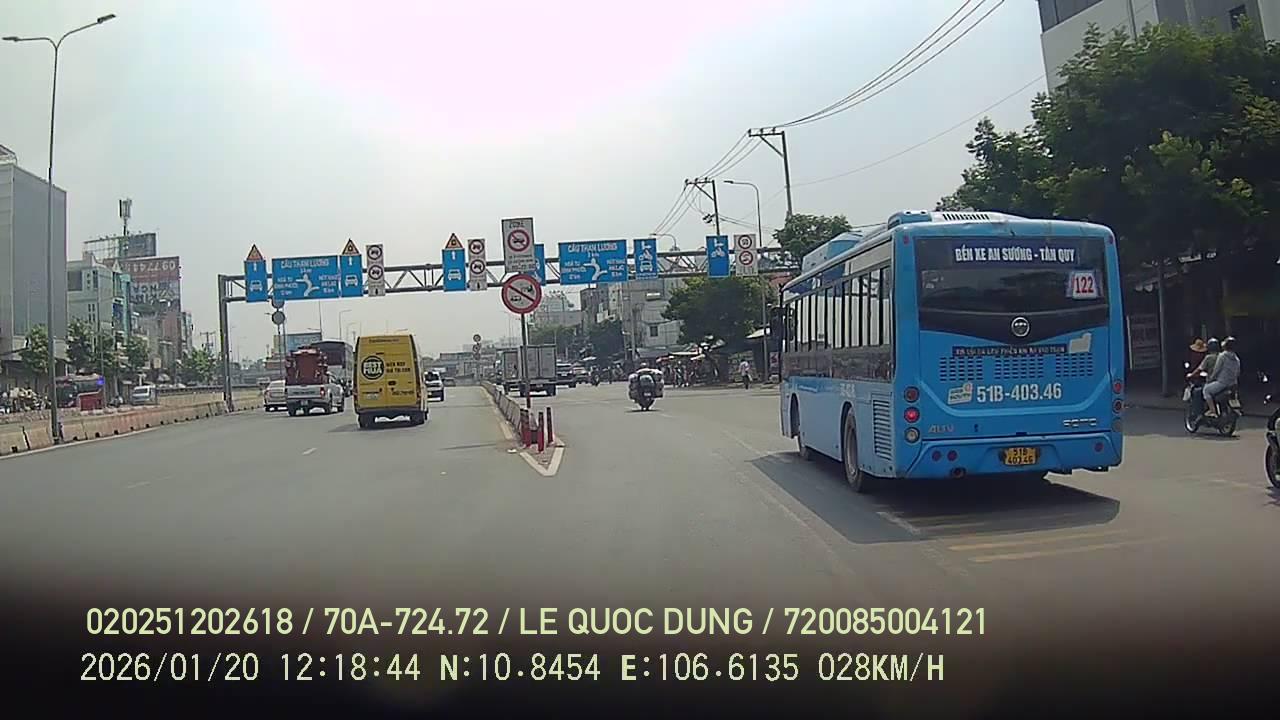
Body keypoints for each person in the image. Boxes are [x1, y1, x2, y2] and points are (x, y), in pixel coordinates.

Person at [1203, 336, 1241, 417]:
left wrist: (1211, 379)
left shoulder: (1222, 356)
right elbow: (1238, 373)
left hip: (1222, 383)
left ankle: (1212, 411)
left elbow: (1217, 370)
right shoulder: (1237, 359)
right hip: (1233, 384)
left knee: (1206, 390)